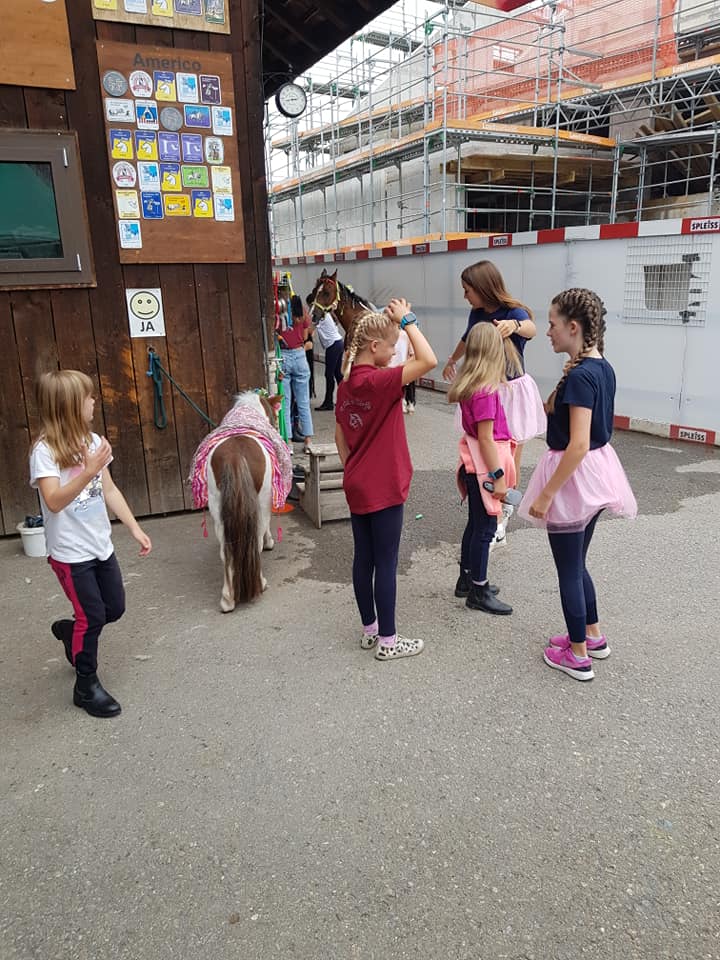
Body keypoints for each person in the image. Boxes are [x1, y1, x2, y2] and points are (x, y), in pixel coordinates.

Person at [518, 288, 637, 682]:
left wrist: (547, 492)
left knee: (568, 569)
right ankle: (592, 635)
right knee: (577, 563)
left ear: (573, 327)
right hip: (597, 474)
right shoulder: (601, 368)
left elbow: (579, 443)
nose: (547, 331)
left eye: (552, 324)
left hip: (575, 479)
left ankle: (578, 655)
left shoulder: (582, 376)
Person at [29, 370, 152, 717]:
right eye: (88, 397)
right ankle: (86, 685)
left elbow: (108, 489)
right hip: (70, 554)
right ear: (69, 406)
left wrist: (134, 527)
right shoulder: (44, 452)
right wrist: (87, 470)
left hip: (100, 546)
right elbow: (53, 501)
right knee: (92, 616)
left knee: (113, 608)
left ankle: (72, 633)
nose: (94, 401)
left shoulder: (94, 442)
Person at [335, 299, 437, 661]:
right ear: (375, 346)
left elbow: (340, 435)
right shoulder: (382, 381)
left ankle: (370, 630)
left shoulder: (346, 385)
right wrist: (407, 320)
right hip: (385, 486)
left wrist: (353, 468)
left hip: (358, 483)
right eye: (392, 346)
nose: (396, 353)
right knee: (387, 563)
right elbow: (429, 360)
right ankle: (389, 642)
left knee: (363, 558)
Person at [443, 261, 546, 540]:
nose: (465, 296)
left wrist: (514, 325)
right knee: (485, 448)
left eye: (468, 290)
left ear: (483, 287)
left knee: (509, 454)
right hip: (487, 389)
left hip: (511, 391)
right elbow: (467, 338)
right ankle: (493, 509)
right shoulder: (476, 313)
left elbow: (531, 328)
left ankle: (503, 510)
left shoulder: (513, 312)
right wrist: (452, 359)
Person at [448, 323, 515, 616]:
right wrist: (499, 476)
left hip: (471, 463)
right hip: (484, 468)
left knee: (474, 525)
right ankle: (479, 589)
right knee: (486, 528)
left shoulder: (469, 386)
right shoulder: (486, 391)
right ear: (494, 351)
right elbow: (486, 439)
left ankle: (466, 579)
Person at [279, 294, 314, 448]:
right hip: (300, 355)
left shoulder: (279, 312)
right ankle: (308, 440)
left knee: (285, 403)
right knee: (303, 401)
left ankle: (289, 442)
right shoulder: (303, 311)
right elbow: (306, 336)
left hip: (284, 355)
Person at [313, 309, 344, 411]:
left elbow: (310, 329)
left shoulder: (321, 317)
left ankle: (328, 402)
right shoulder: (327, 315)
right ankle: (346, 398)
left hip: (333, 345)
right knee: (338, 374)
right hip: (338, 342)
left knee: (329, 374)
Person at [389, 329, 417, 414]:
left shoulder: (407, 334)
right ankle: (403, 403)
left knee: (404, 384)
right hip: (393, 363)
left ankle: (406, 402)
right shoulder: (388, 332)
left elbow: (412, 353)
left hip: (402, 363)